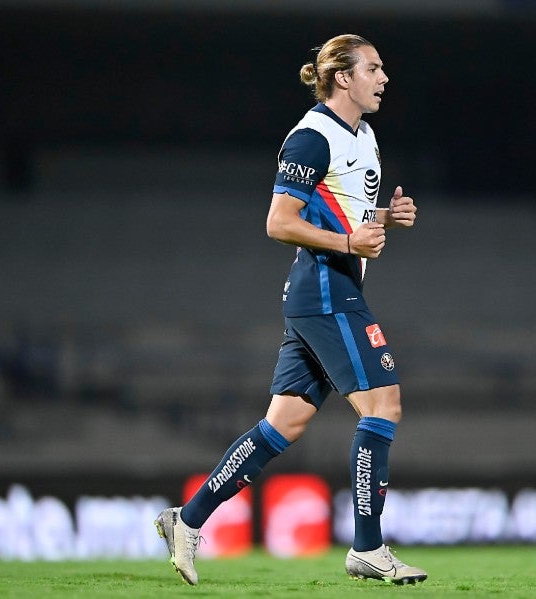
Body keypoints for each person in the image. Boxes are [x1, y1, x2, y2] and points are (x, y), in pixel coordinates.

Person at [155, 33, 427, 586]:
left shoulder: (365, 135)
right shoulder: (312, 137)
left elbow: (345, 209)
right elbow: (279, 222)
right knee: (384, 405)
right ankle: (368, 549)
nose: (384, 77)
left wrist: (386, 216)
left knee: (286, 421)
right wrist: (352, 245)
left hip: (324, 290)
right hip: (327, 289)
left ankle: (187, 519)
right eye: (374, 68)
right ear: (343, 78)